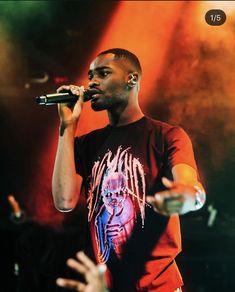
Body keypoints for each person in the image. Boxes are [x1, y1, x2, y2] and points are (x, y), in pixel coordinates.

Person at [52, 48, 206, 292]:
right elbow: (64, 200)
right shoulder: (86, 144)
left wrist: (186, 197)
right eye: (90, 75)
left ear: (131, 79)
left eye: (103, 73)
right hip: (103, 286)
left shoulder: (166, 136)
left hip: (157, 285)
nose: (92, 82)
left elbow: (190, 185)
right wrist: (68, 126)